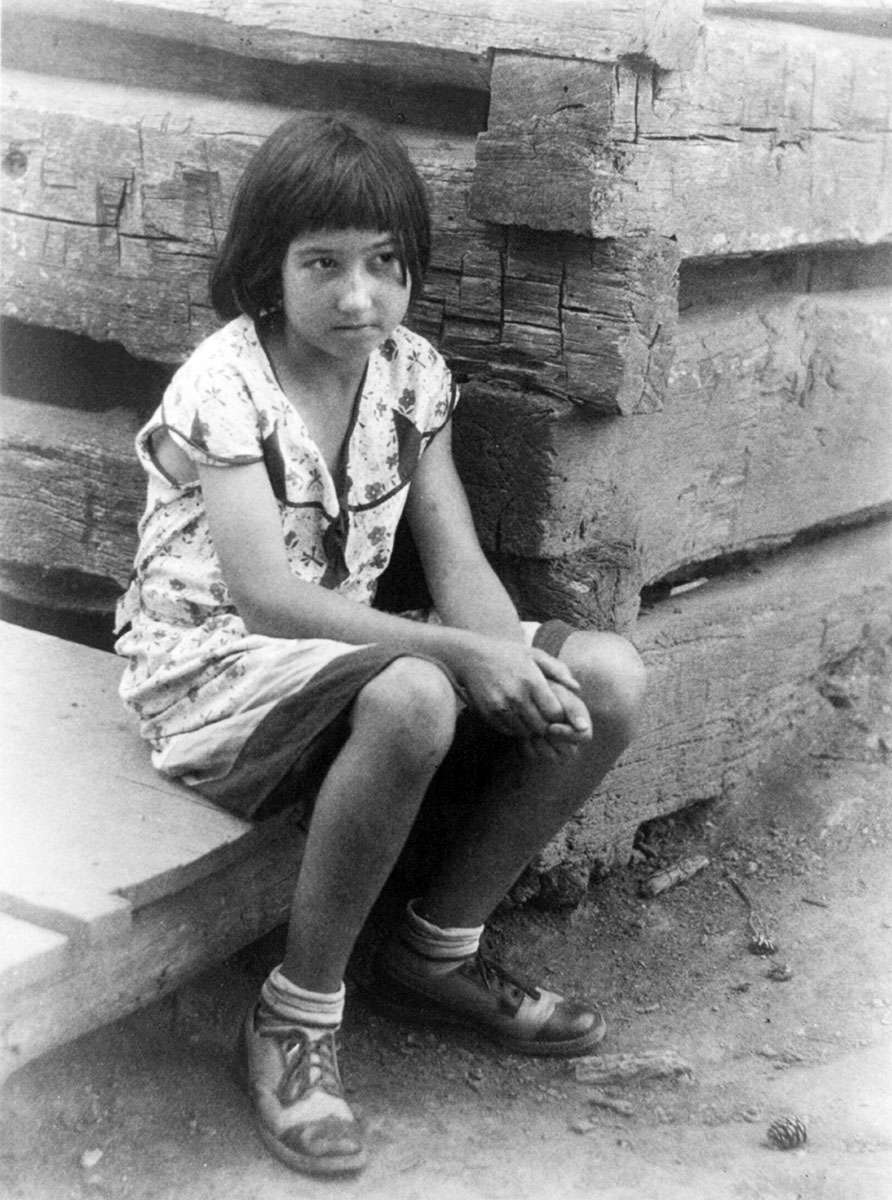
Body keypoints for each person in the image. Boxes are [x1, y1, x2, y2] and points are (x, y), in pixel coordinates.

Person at [115, 110, 646, 1178]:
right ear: (266, 268)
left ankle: (433, 952)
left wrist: (507, 656)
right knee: (416, 696)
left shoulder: (410, 374)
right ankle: (294, 1016)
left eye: (385, 264)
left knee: (606, 680)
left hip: (350, 650)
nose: (358, 296)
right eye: (323, 264)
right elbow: (264, 599)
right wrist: (459, 658)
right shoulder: (225, 385)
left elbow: (452, 559)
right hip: (211, 667)